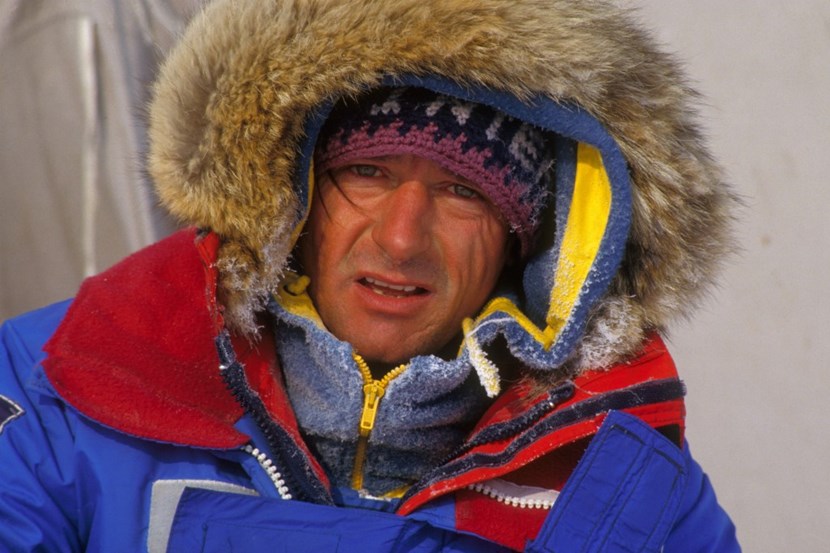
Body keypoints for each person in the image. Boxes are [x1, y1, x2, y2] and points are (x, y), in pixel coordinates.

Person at [0, 0, 741, 551]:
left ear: (526, 241)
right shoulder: (59, 393)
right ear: (295, 196)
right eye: (367, 171)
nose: (400, 237)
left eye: (463, 192)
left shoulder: (628, 485)